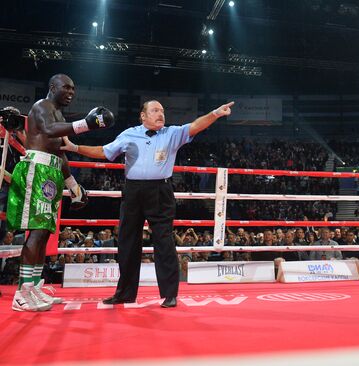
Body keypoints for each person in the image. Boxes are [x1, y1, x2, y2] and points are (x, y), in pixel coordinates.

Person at [62, 99, 234, 308]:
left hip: (160, 191)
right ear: (143, 116)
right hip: (133, 191)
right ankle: (125, 293)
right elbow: (104, 152)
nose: (160, 114)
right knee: (127, 243)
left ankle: (170, 294)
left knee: (164, 242)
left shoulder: (172, 133)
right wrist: (73, 147)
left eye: (162, 110)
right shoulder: (129, 134)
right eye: (154, 110)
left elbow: (196, 125)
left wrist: (215, 113)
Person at [2, 74, 114, 312]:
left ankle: (33, 287)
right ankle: (22, 294)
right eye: (66, 87)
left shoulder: (59, 114)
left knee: (43, 234)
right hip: (37, 169)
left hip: (51, 172)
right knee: (36, 231)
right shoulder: (41, 107)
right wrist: (86, 124)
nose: (71, 92)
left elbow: (61, 151)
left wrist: (73, 185)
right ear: (53, 87)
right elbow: (49, 130)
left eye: (74, 88)